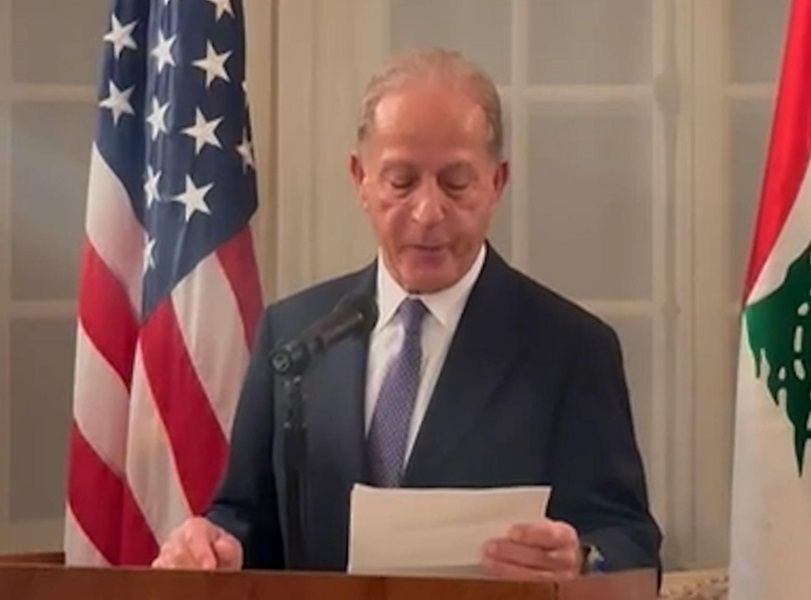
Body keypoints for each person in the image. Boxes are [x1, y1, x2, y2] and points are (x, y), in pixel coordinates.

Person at [152, 48, 661, 579]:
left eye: (456, 183)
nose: (428, 211)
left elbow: (629, 539)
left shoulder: (571, 349)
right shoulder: (295, 336)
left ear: (497, 183)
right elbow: (245, 517)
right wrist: (216, 545)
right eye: (401, 181)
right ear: (360, 179)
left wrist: (581, 560)